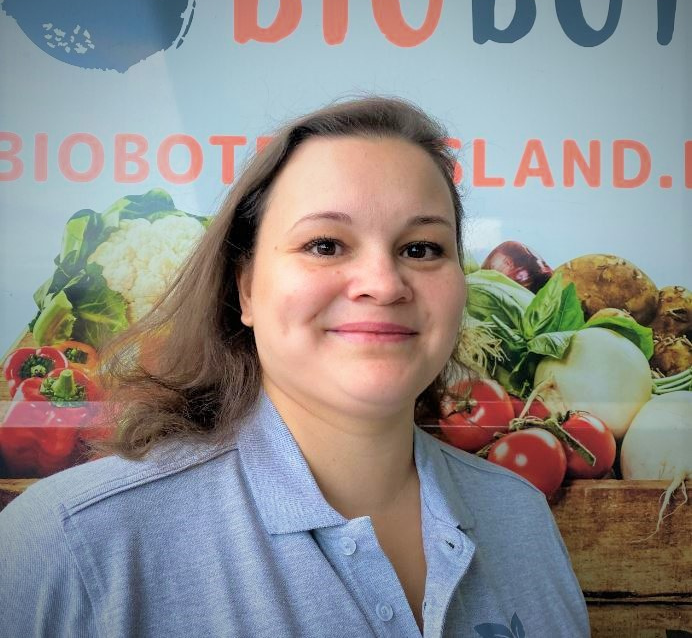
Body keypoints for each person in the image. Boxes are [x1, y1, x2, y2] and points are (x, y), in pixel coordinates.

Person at [0, 96, 590, 637]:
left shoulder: (520, 516)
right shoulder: (70, 546)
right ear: (246, 288)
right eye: (325, 245)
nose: (384, 284)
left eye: (421, 249)